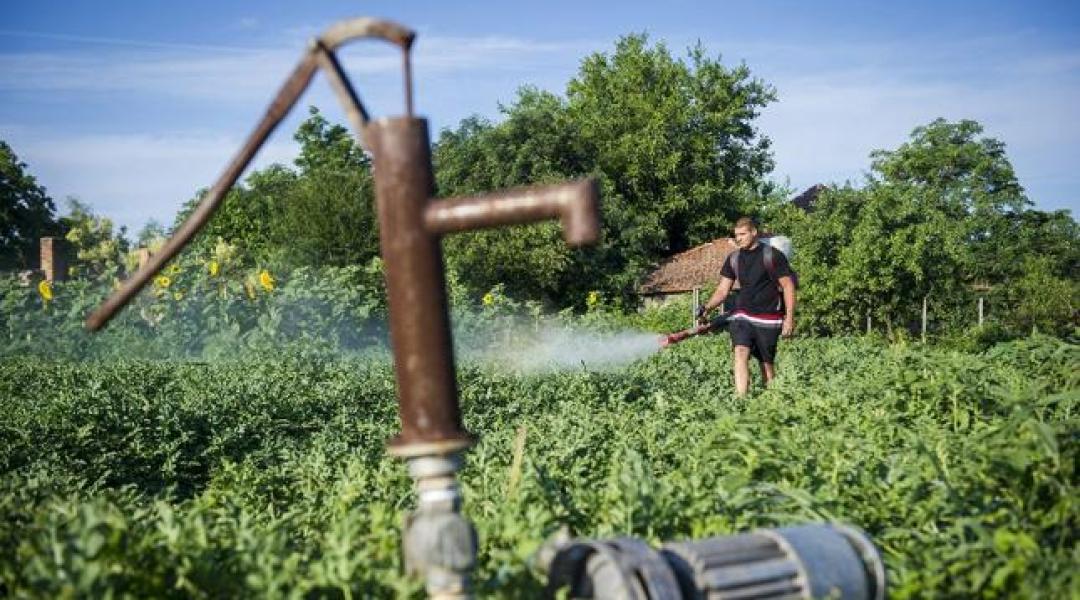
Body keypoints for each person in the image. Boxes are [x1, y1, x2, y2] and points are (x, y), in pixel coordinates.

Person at [698, 217, 796, 396]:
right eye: (736, 235)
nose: (739, 239)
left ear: (754, 232)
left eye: (743, 234)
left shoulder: (772, 255)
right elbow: (722, 290)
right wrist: (707, 307)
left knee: (766, 365)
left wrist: (789, 318)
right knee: (740, 352)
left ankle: (771, 402)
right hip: (742, 315)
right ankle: (741, 401)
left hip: (768, 318)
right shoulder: (733, 258)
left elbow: (788, 286)